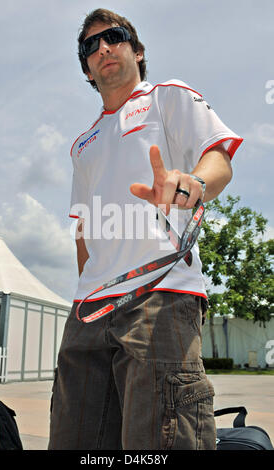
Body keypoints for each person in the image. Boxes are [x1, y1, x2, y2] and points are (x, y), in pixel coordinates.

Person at [48, 8, 243, 450]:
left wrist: (191, 184)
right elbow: (83, 229)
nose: (102, 48)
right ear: (87, 68)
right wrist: (84, 294)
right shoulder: (82, 145)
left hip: (161, 294)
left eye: (113, 37)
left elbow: (219, 160)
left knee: (160, 442)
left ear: (137, 51)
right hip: (89, 311)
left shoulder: (167, 97)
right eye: (90, 46)